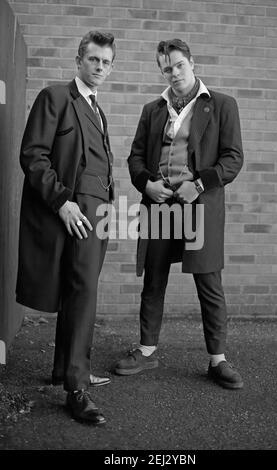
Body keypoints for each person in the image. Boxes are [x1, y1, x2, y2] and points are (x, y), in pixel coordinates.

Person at [115, 38, 244, 390]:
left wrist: (199, 185)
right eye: (167, 68)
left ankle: (218, 360)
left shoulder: (221, 105)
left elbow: (233, 159)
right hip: (160, 205)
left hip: (198, 206)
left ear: (192, 62)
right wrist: (147, 184)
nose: (173, 73)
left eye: (179, 65)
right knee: (154, 280)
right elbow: (136, 158)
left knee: (209, 282)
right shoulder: (152, 109)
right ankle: (146, 351)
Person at [16, 31, 116, 424]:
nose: (99, 67)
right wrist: (61, 201)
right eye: (93, 60)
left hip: (99, 215)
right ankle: (76, 388)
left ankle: (65, 369)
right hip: (74, 212)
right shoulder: (55, 97)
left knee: (80, 291)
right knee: (83, 292)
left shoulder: (98, 109)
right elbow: (33, 155)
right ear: (79, 60)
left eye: (106, 62)